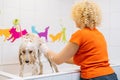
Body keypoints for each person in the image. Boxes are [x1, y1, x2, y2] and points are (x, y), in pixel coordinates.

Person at [40, 0, 118, 80]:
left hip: (93, 77)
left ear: (79, 17)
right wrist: (61, 57)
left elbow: (58, 60)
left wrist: (43, 47)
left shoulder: (80, 34)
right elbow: (81, 60)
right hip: (111, 75)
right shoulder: (99, 34)